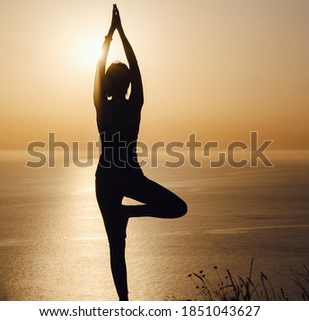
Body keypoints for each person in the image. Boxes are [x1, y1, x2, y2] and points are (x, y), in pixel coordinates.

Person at [93, 4, 187, 301]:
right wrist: (121, 33)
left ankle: (124, 303)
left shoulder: (103, 107)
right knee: (177, 208)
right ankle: (129, 214)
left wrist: (109, 36)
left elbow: (99, 71)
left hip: (108, 178)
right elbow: (136, 69)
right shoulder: (133, 106)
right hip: (128, 177)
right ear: (128, 84)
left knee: (115, 247)